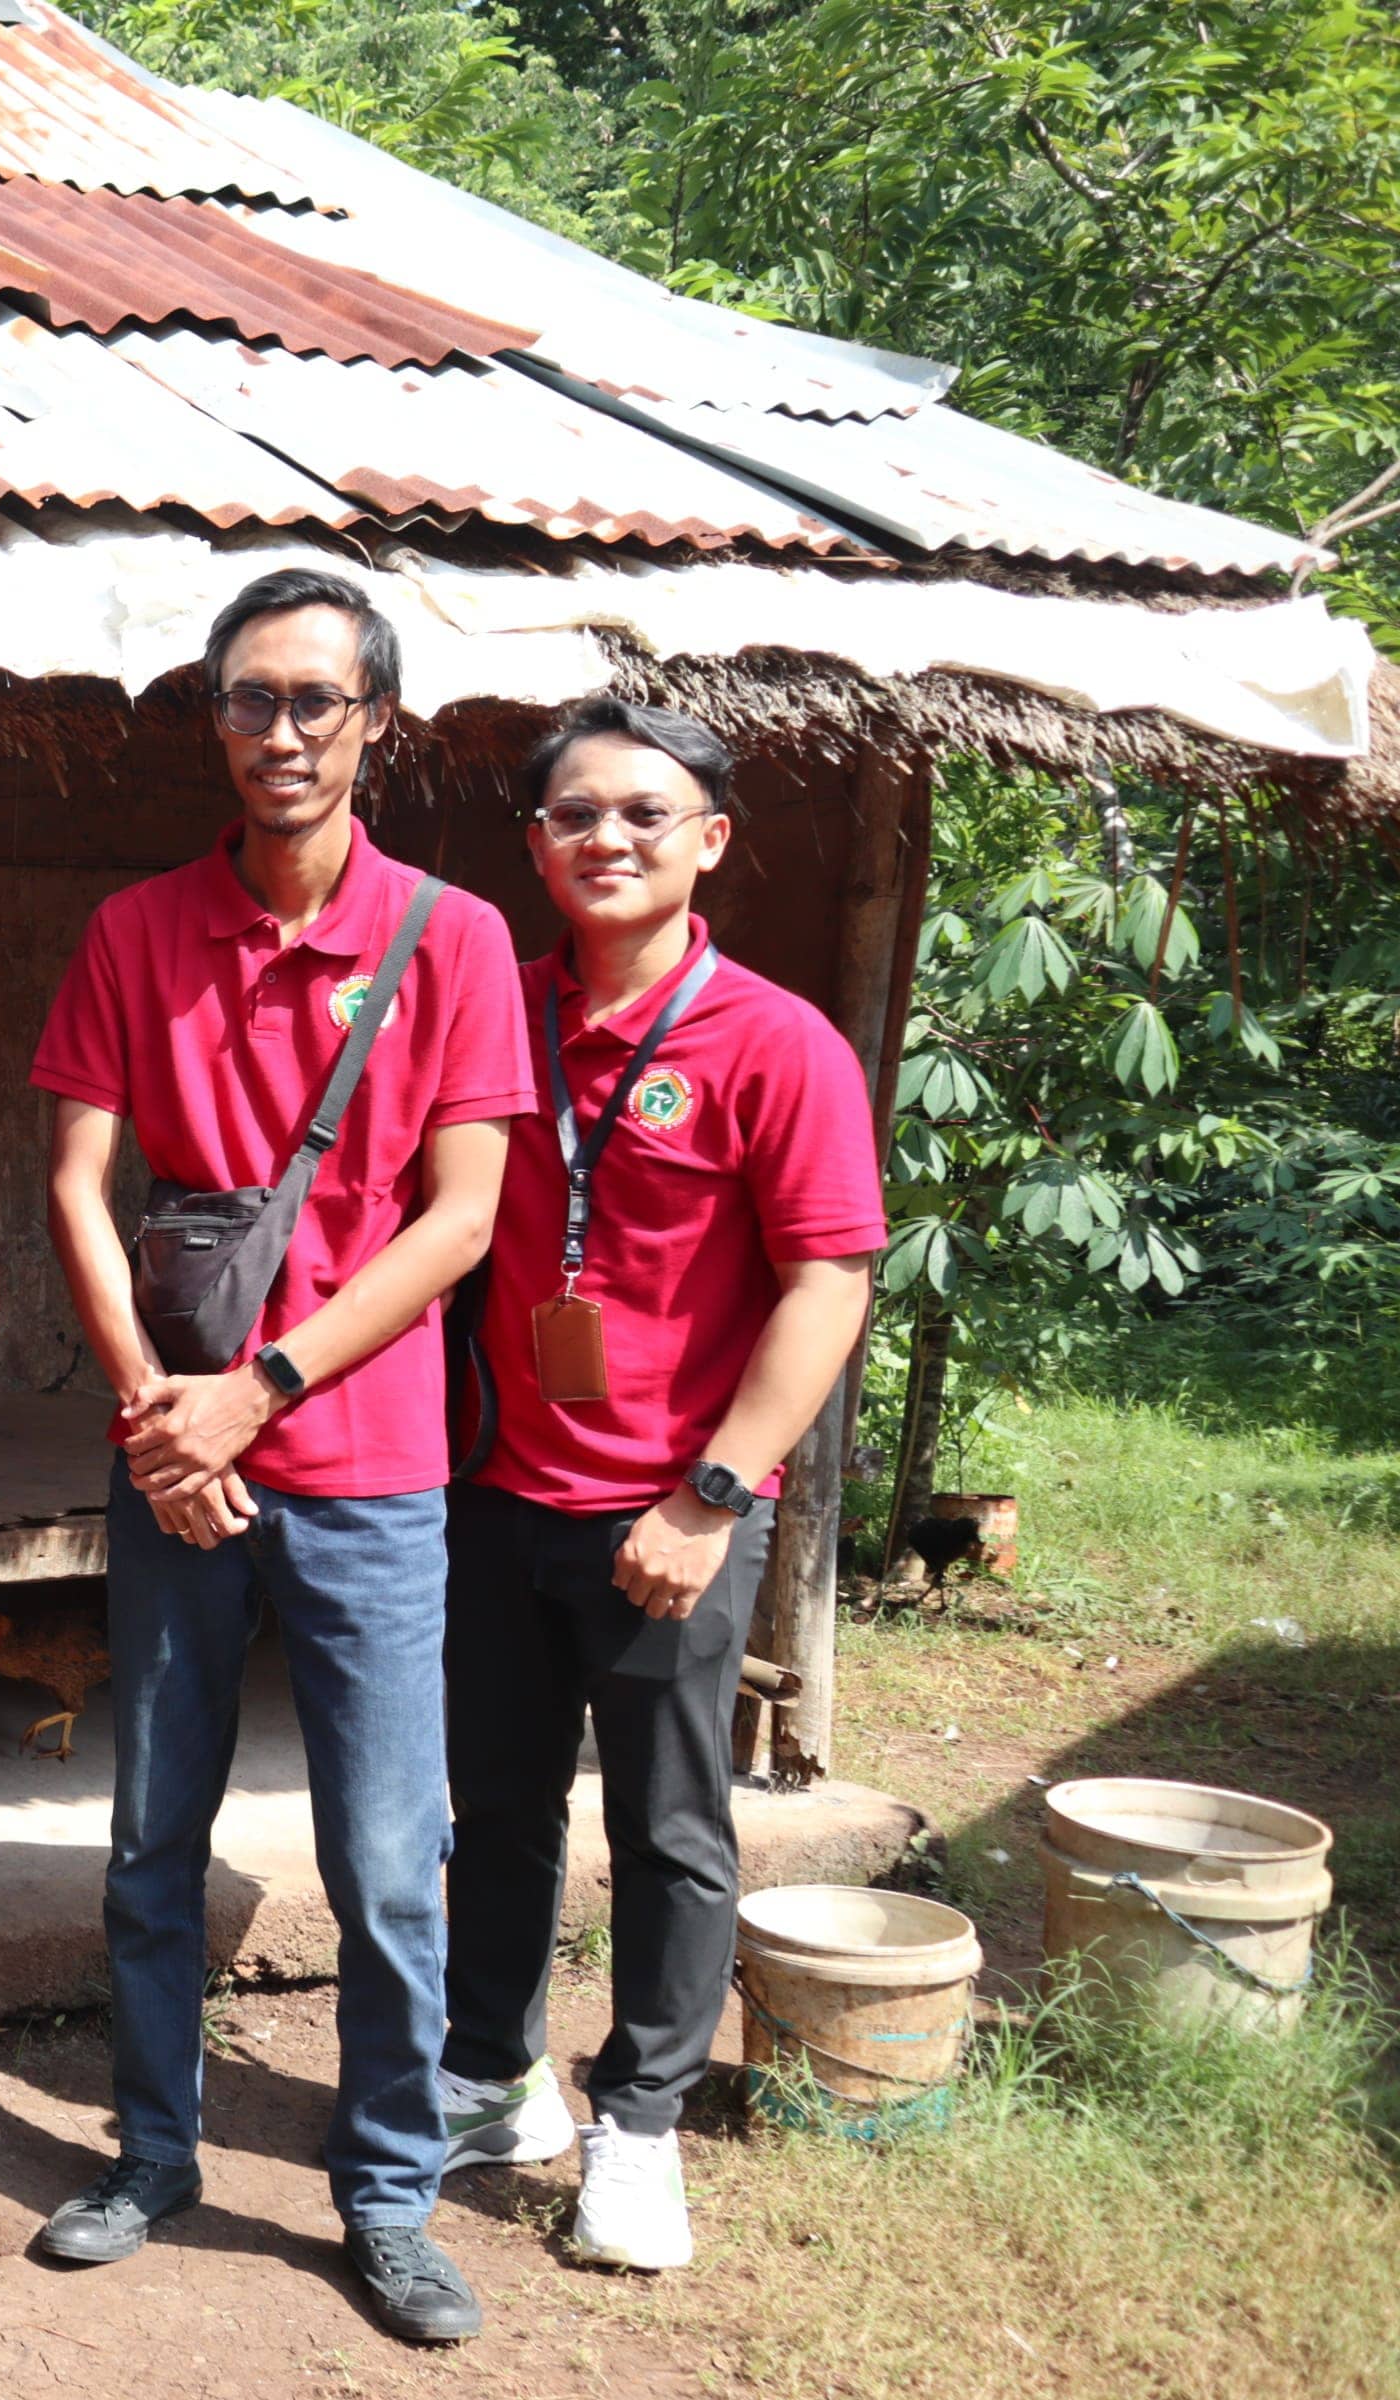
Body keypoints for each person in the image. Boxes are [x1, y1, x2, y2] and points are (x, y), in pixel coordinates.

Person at [33, 566, 527, 2345]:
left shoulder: (449, 939)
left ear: (378, 721)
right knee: (149, 1835)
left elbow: (460, 1217)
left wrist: (270, 1381)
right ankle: (152, 2148)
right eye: (251, 699)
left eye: (320, 700)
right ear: (213, 719)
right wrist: (161, 1408)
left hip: (370, 1462)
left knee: (390, 1858)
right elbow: (82, 1184)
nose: (284, 731)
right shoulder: (139, 928)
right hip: (175, 1452)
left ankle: (387, 2191)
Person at [437, 696, 883, 2271]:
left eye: (643, 813)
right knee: (493, 1805)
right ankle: (492, 2079)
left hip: (672, 1512)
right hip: (497, 1490)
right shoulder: (496, 1013)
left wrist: (711, 1495)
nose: (605, 840)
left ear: (710, 839)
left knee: (671, 1825)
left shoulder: (775, 1043)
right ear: (535, 846)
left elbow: (828, 1281)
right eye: (572, 816)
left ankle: (637, 2124)